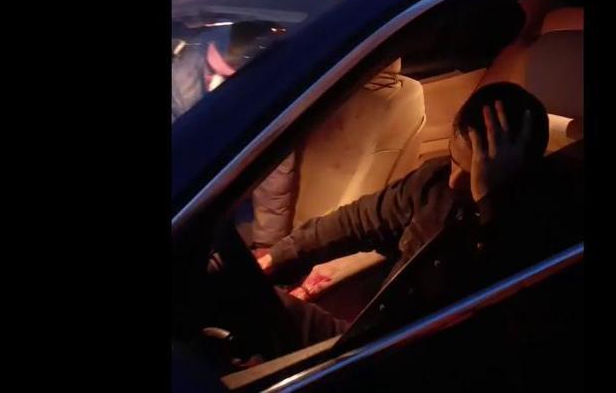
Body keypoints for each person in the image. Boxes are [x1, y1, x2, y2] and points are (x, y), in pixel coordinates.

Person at [207, 82, 555, 362]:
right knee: (232, 292)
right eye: (454, 160)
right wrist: (277, 257)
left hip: (412, 365)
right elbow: (357, 221)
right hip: (370, 339)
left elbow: (503, 325)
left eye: (472, 173)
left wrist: (490, 200)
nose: (453, 180)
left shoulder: (538, 228)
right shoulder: (434, 182)